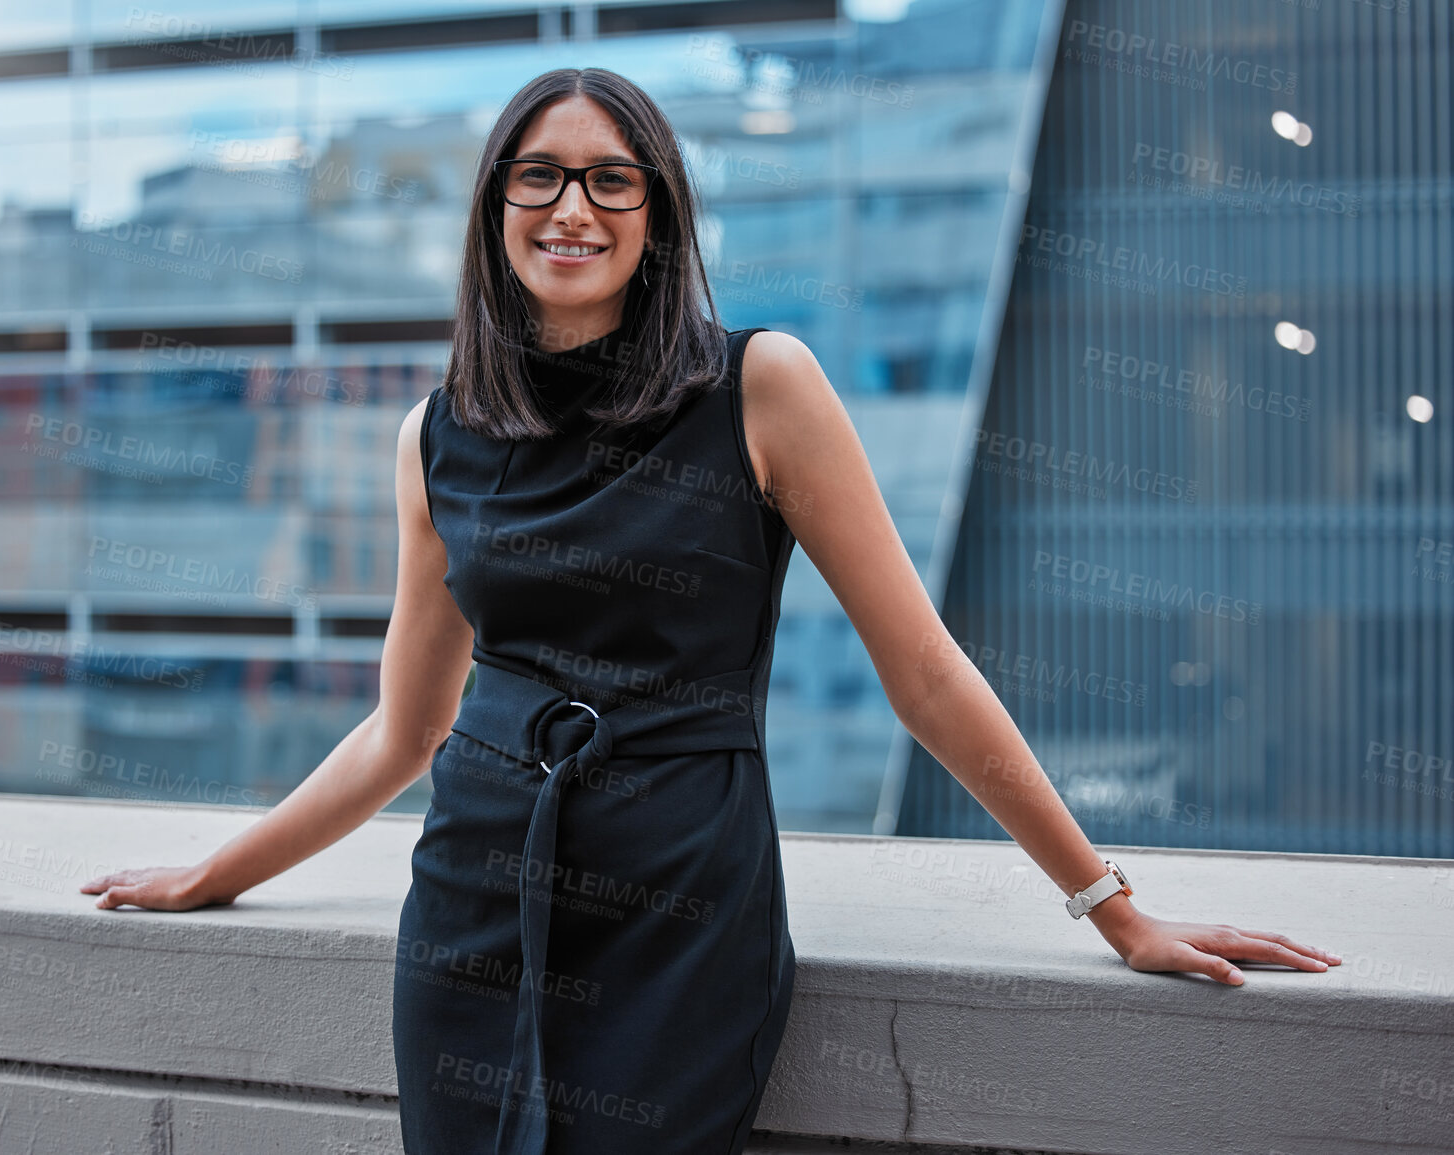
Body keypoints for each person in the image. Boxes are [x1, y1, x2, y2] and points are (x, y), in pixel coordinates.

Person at [82, 67, 1340, 1154]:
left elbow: (926, 675)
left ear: (659, 214)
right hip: (472, 904)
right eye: (538, 177)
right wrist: (215, 870)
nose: (572, 207)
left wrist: (1111, 909)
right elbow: (402, 736)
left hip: (681, 912)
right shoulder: (436, 434)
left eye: (611, 180)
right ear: (493, 211)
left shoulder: (762, 385)